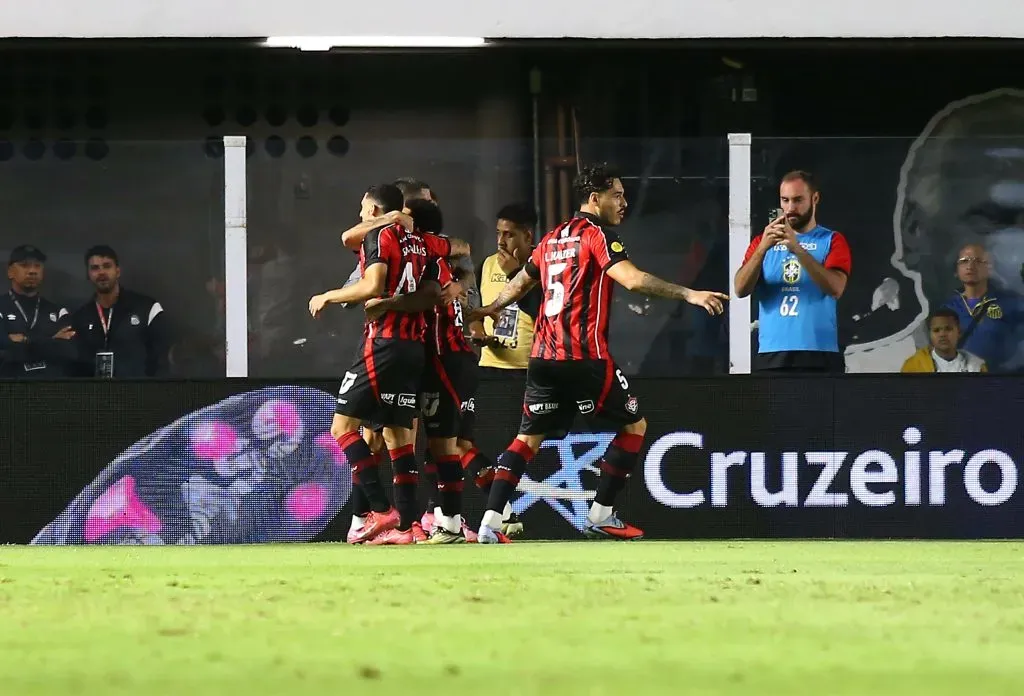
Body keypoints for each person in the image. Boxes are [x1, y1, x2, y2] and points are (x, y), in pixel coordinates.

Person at [470, 164, 729, 544]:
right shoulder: (597, 236)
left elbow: (522, 281)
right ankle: (601, 514)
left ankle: (490, 522)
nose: (624, 202)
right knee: (634, 426)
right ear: (595, 198)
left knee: (527, 439)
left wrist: (491, 309)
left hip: (543, 357)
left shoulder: (552, 238)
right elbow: (633, 279)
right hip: (583, 358)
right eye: (617, 195)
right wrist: (689, 294)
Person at [309, 185, 469, 545]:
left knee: (342, 428)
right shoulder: (423, 242)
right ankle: (405, 527)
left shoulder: (381, 235)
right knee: (399, 439)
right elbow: (459, 249)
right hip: (414, 348)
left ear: (377, 210)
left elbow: (372, 285)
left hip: (383, 343)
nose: (361, 215)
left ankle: (379, 512)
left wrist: (328, 295)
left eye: (364, 208)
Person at [734, 170, 852, 374]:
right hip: (772, 353)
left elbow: (836, 288)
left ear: (815, 198)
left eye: (798, 200)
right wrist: (763, 248)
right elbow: (740, 289)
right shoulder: (762, 242)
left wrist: (797, 248)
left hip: (819, 353)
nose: (790, 208)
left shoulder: (832, 240)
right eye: (785, 200)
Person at [70, 245, 169, 378]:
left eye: (107, 266)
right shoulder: (80, 317)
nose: (101, 272)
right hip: (95, 395)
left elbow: (161, 359)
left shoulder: (146, 308)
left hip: (139, 393)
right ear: (88, 275)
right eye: (95, 268)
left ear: (118, 271)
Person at [940, 243, 1024, 372]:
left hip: (1003, 381)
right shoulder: (948, 307)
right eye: (964, 261)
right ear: (956, 270)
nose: (970, 266)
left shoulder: (1012, 302)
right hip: (960, 381)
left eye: (978, 261)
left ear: (989, 268)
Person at [0, 245, 77, 379]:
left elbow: (68, 351)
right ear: (10, 272)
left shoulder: (58, 311)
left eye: (37, 266)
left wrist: (24, 340)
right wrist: (51, 340)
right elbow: (3, 351)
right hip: (9, 390)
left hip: (51, 388)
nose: (32, 271)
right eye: (24, 265)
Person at [901, 307, 987, 373]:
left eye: (948, 329)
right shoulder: (914, 366)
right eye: (936, 330)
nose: (942, 334)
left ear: (959, 332)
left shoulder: (976, 367)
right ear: (930, 335)